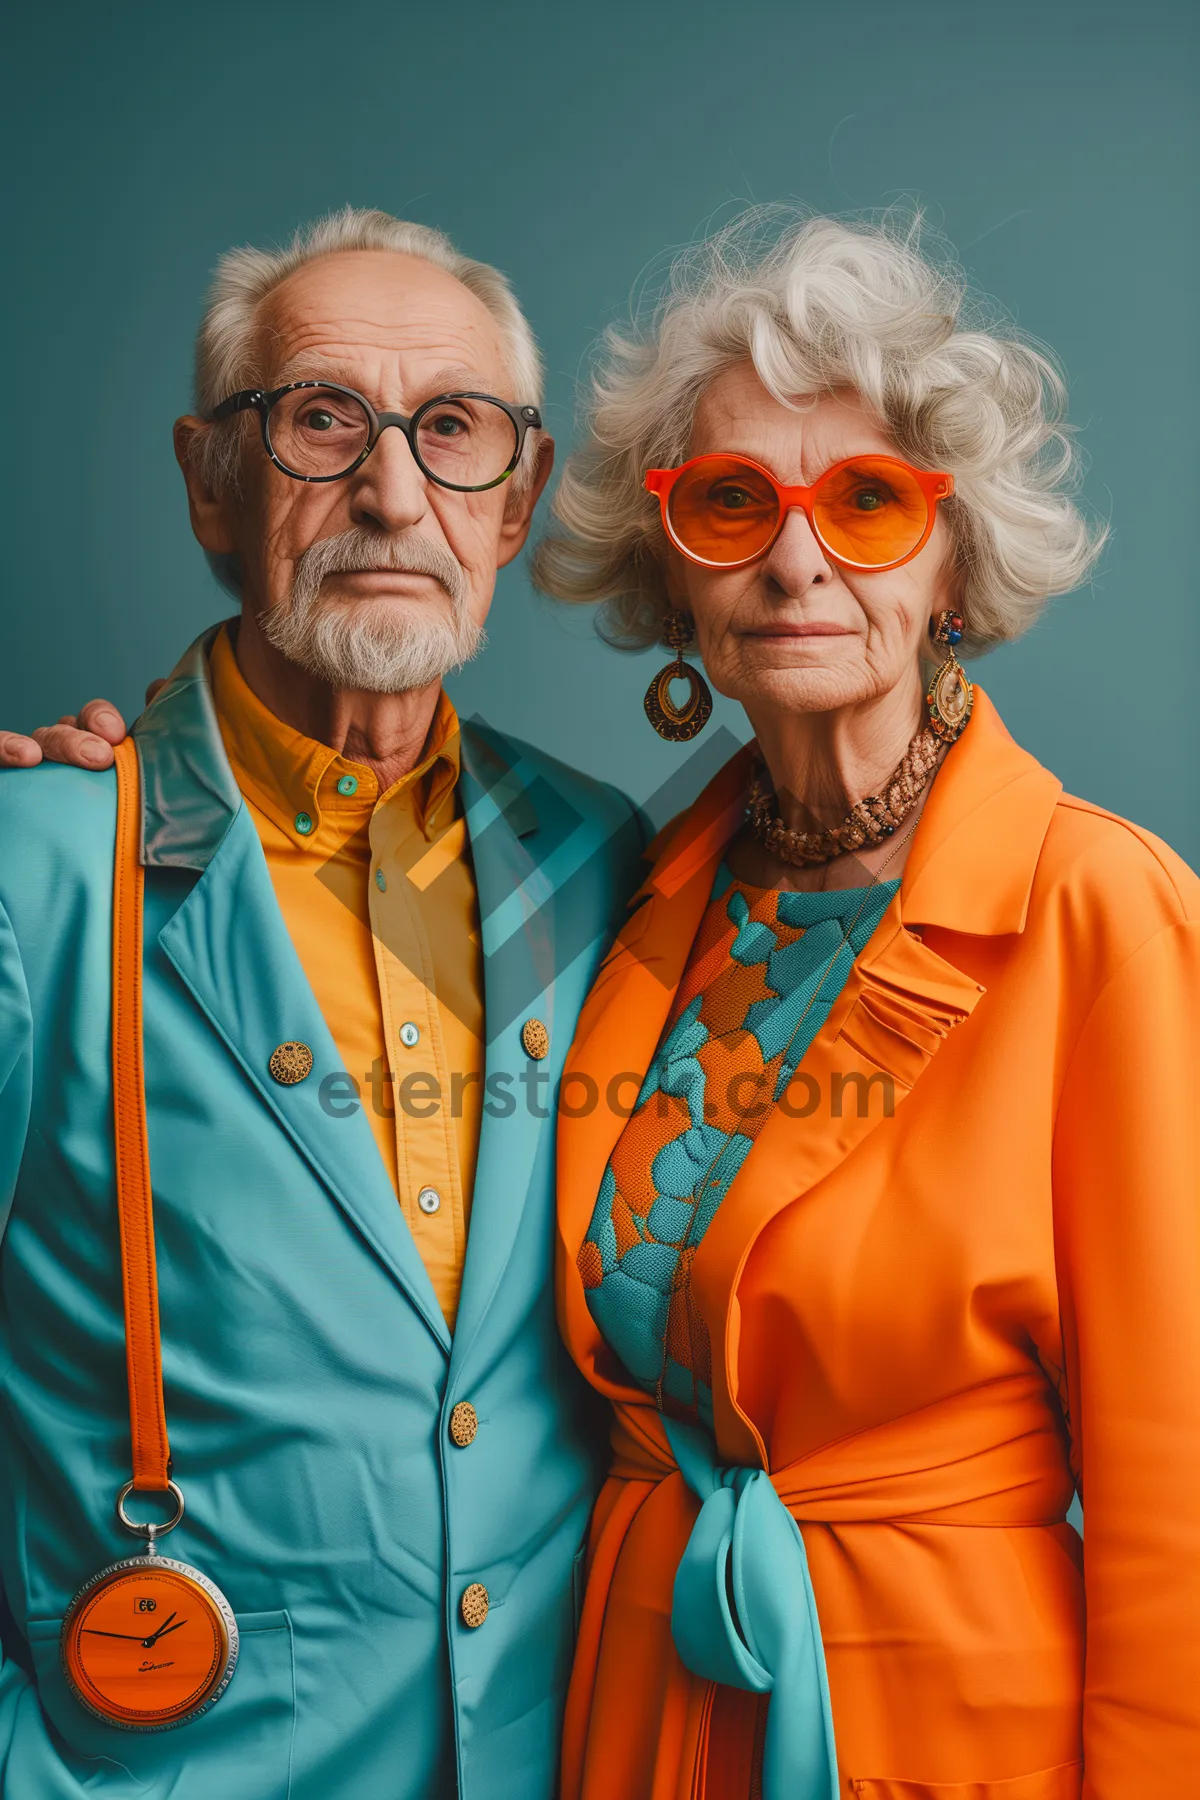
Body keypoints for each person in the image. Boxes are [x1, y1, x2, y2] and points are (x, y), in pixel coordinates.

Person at [530, 214, 1200, 1796]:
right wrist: (124, 780)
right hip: (641, 1712)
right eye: (732, 501)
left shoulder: (1102, 909)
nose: (798, 557)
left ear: (952, 562)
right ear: (670, 567)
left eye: (870, 505)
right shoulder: (625, 894)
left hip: (948, 1733)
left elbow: (1184, 1495)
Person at [0, 207, 644, 1800]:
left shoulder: (603, 857)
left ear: (520, 501)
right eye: (320, 421)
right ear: (212, 481)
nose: (391, 492)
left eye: (454, 430)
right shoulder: (39, 860)